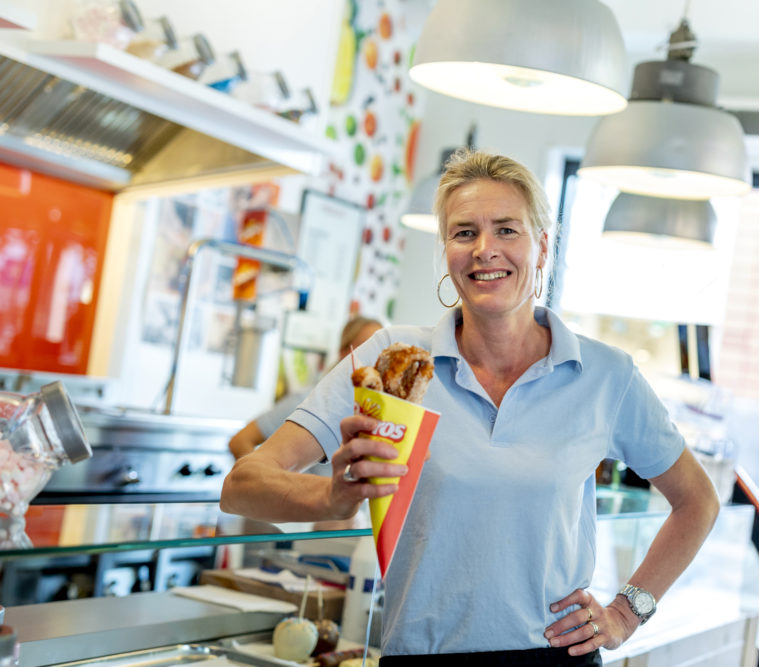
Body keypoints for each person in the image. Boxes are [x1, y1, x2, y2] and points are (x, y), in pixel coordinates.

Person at [221, 148, 720, 665]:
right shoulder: (394, 361)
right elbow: (241, 487)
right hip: (421, 656)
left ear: (543, 247)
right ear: (447, 251)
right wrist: (333, 497)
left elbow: (697, 502)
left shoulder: (605, 376)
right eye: (464, 233)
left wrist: (625, 612)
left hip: (553, 658)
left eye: (507, 229)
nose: (485, 249)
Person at [227, 315, 382, 460]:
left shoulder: (381, 415)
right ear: (343, 352)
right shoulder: (310, 400)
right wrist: (268, 484)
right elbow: (240, 441)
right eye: (367, 349)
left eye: (382, 351)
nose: (376, 359)